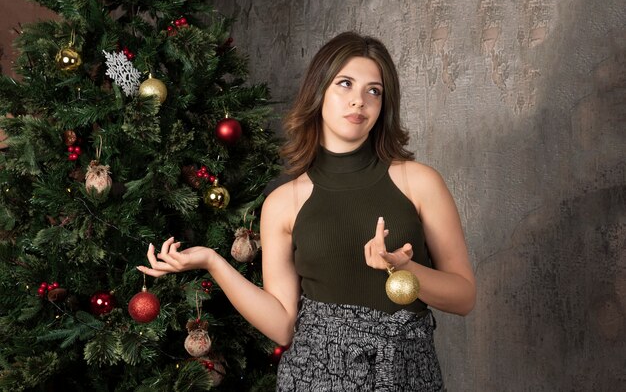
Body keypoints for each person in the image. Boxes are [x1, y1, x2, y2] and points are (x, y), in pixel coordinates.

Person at [137, 31, 476, 391]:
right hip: (315, 377)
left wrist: (404, 269)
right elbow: (283, 324)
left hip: (408, 375)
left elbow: (464, 296)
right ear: (319, 91)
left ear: (383, 104)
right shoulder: (285, 202)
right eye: (345, 84)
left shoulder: (420, 182)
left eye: (373, 91)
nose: (359, 101)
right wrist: (212, 261)